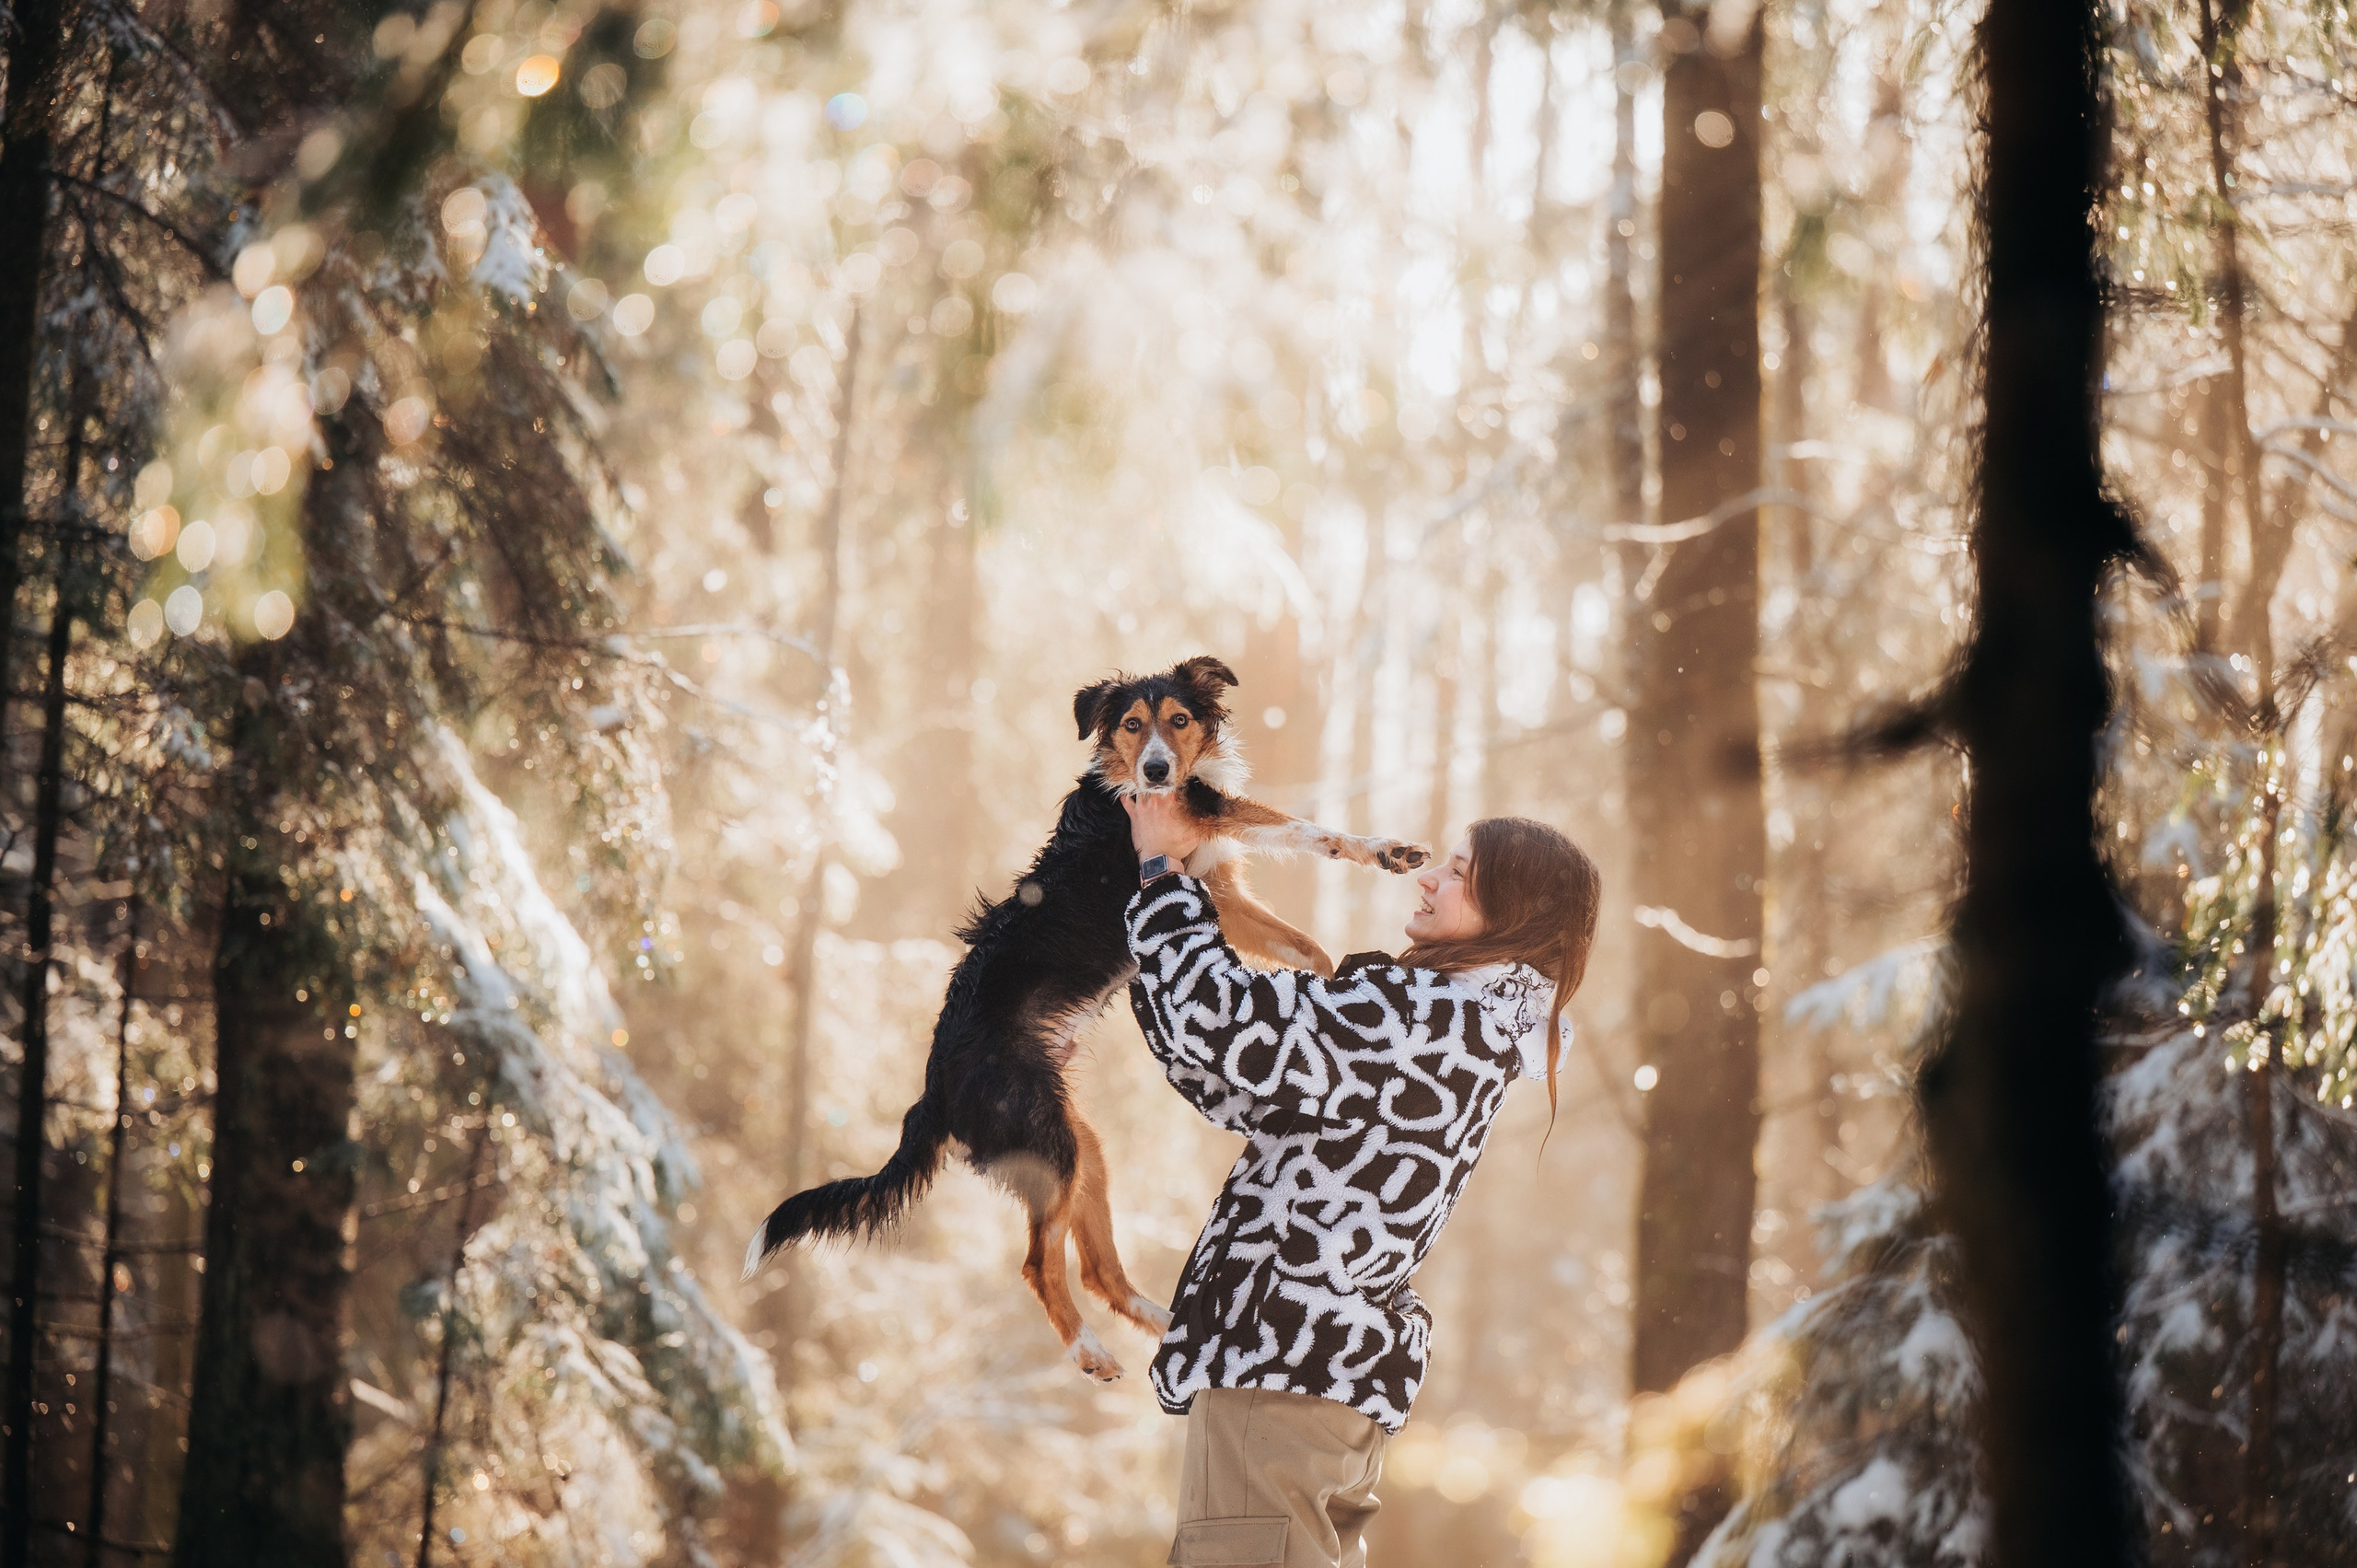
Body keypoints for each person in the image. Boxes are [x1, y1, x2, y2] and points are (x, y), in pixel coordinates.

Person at [1120, 796, 1604, 1568]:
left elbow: (1222, 1018)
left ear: (1510, 911)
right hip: (1322, 1385)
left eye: (1460, 873)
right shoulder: (1466, 1031)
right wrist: (1149, 949)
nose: (1430, 879)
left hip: (1280, 1377)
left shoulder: (1422, 1018)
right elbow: (1234, 1081)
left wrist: (1157, 874)